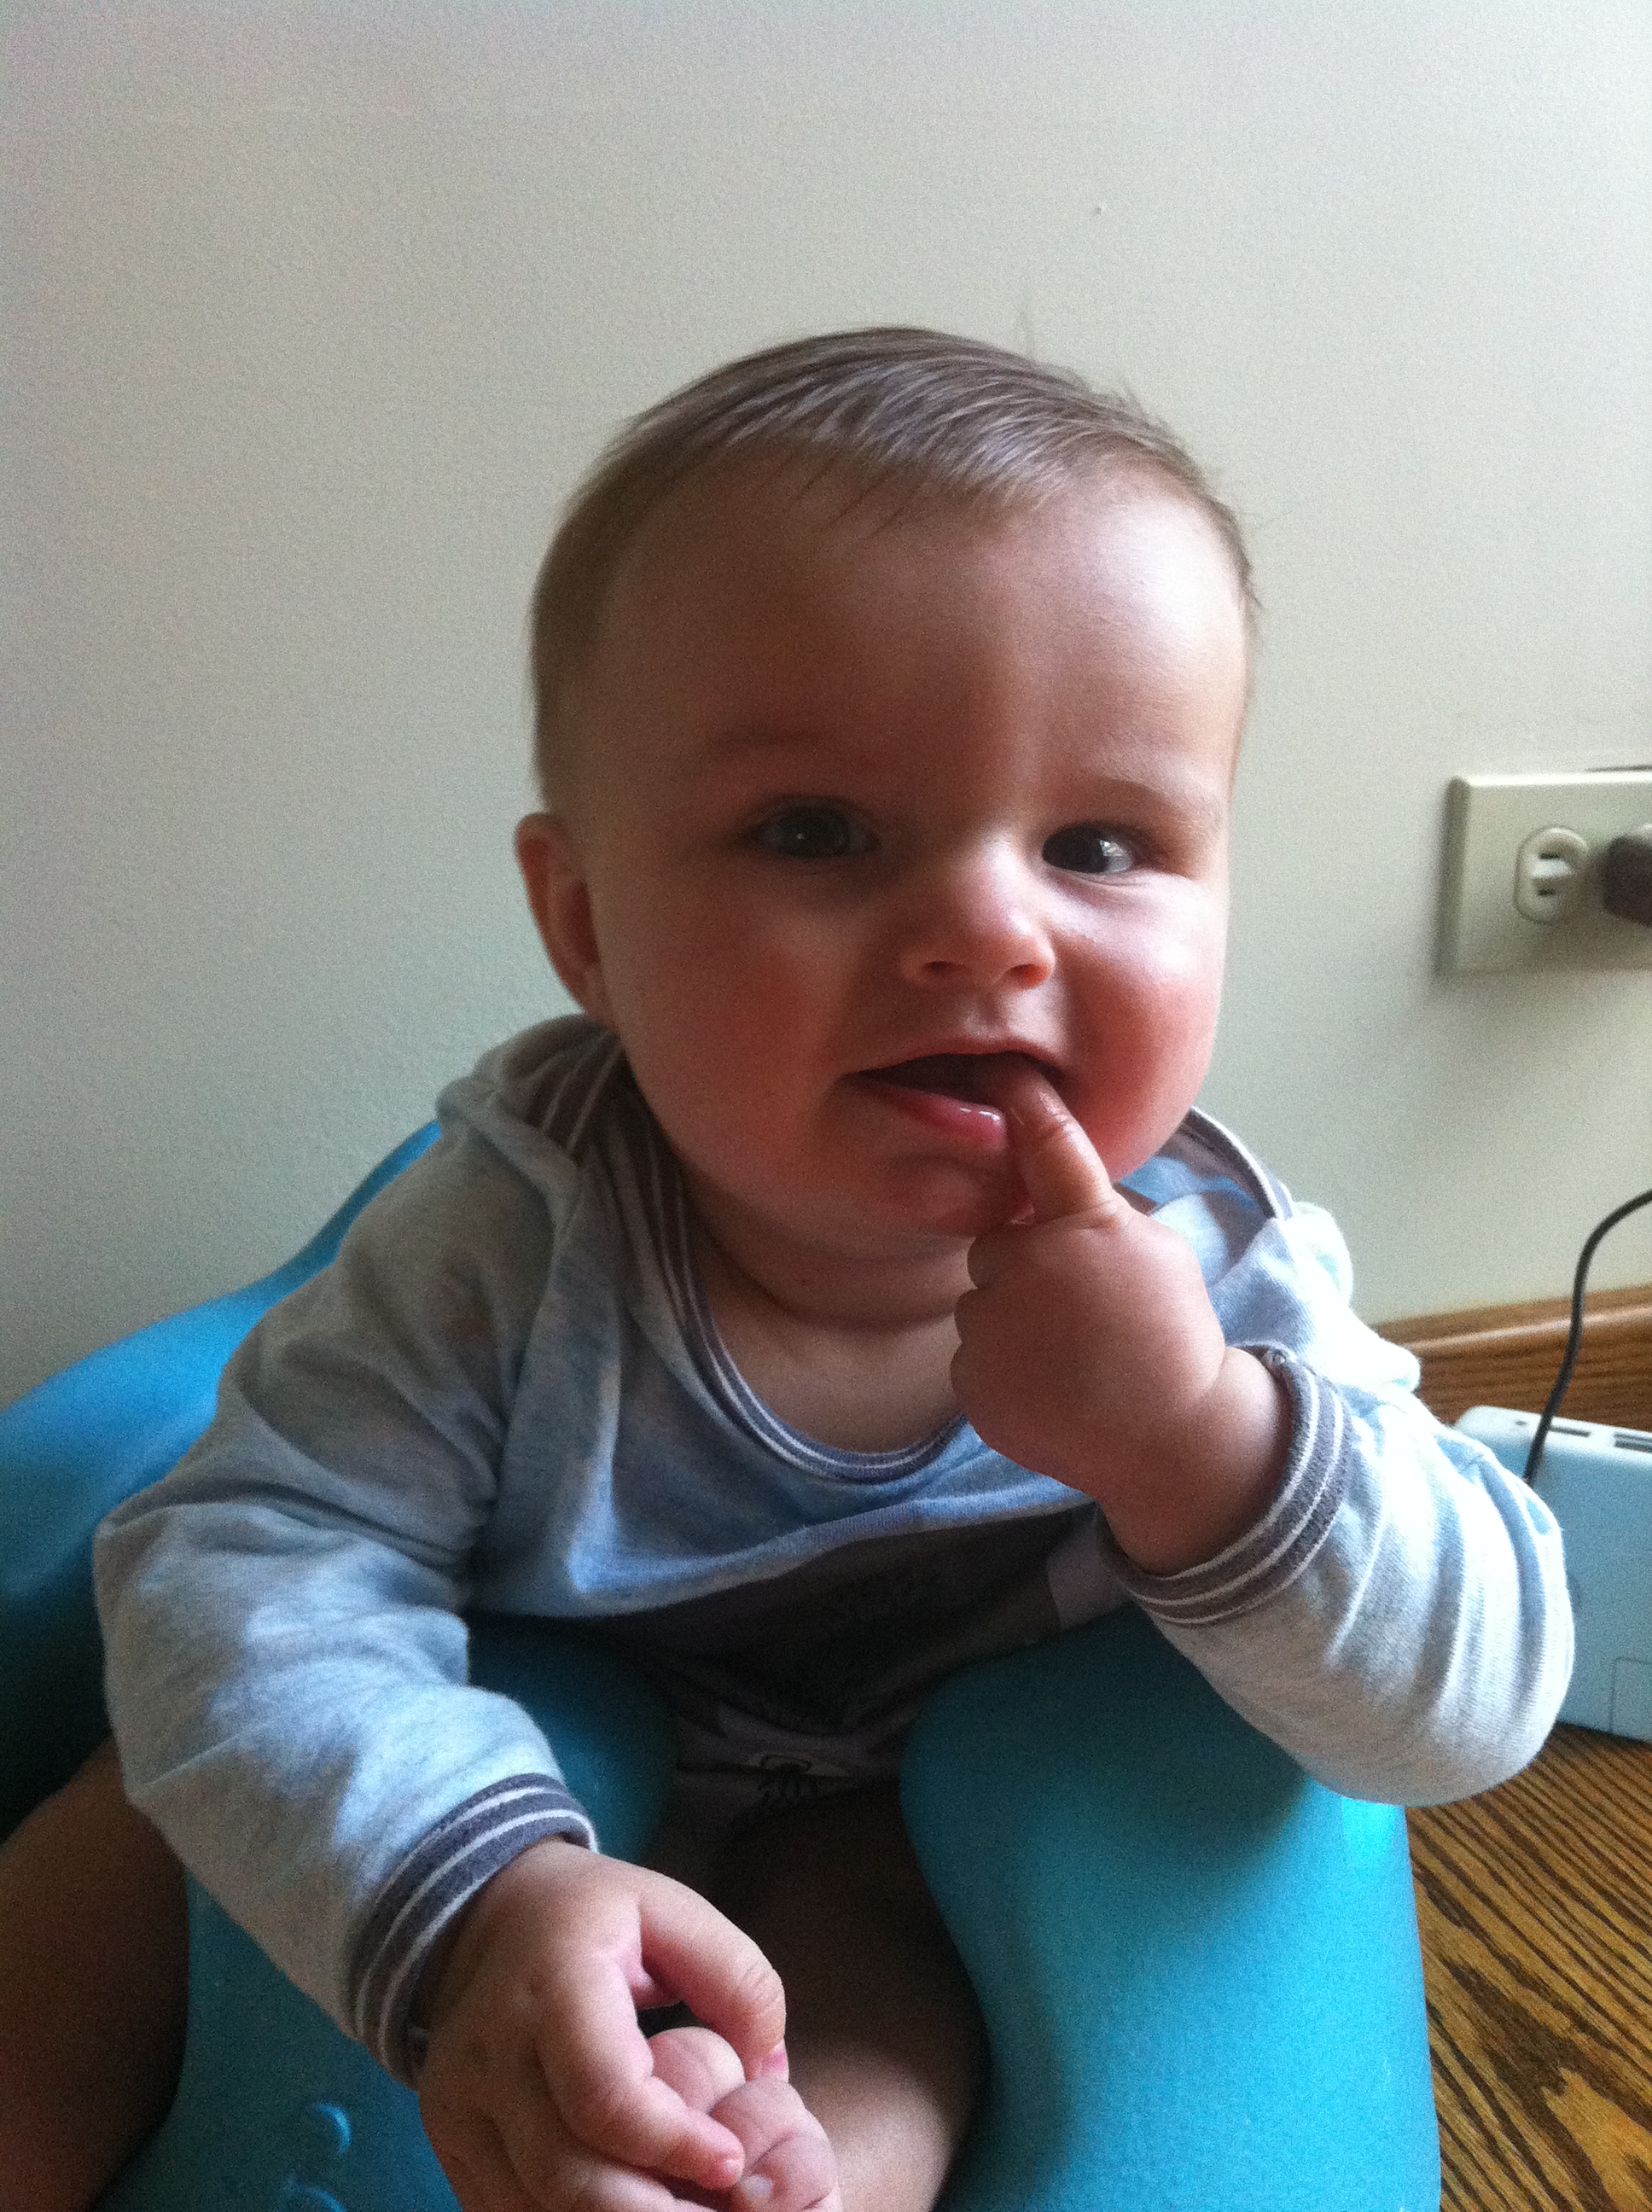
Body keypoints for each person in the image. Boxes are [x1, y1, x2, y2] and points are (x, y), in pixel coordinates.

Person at [14, 329, 1572, 2212]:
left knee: (888, 2006)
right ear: (587, 924)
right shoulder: (512, 1242)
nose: (986, 929)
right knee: (127, 1836)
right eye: (816, 832)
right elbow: (238, 1566)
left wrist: (1197, 1440)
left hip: (894, 1817)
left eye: (1097, 842)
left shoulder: (1220, 1277)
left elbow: (1467, 1712)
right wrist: (471, 1890)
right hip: (491, 1737)